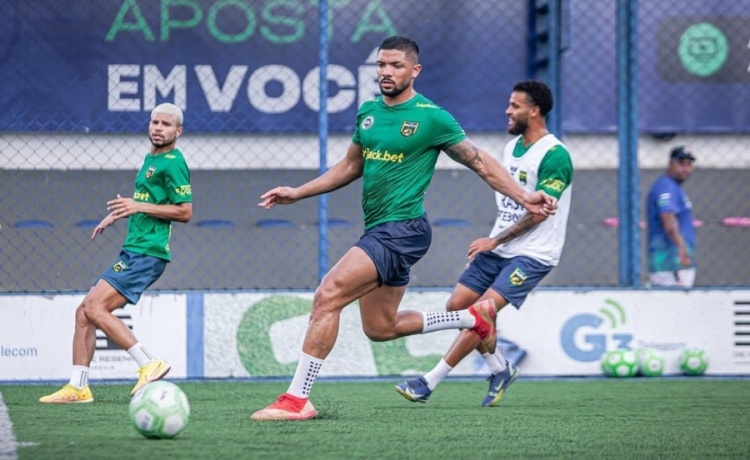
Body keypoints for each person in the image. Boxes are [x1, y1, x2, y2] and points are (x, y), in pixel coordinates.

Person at [251, 36, 557, 422]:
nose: (386, 72)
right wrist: (299, 192)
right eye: (381, 65)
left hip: (403, 230)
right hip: (381, 229)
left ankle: (297, 399)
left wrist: (525, 196)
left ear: (415, 71)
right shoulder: (368, 113)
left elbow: (480, 162)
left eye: (395, 65)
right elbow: (350, 166)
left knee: (327, 295)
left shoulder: (432, 116)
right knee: (381, 328)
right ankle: (471, 319)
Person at [394, 80, 573, 407]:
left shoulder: (555, 155)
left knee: (480, 311)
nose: (507, 111)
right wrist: (495, 242)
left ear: (534, 111)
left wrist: (495, 240)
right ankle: (499, 368)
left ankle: (429, 381)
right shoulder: (511, 148)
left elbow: (539, 213)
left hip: (533, 254)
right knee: (457, 306)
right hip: (499, 247)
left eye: (515, 106)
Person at [39, 103, 193, 403]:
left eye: (166, 124)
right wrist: (123, 213)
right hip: (135, 247)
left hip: (148, 252)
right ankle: (78, 386)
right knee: (84, 311)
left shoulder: (173, 162)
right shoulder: (152, 158)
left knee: (95, 308)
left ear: (178, 131)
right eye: (154, 122)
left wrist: (138, 207)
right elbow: (148, 200)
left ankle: (149, 363)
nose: (158, 128)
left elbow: (185, 212)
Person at [646, 146, 697, 288]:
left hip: (673, 265)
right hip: (671, 265)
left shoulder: (673, 187)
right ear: (670, 164)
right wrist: (682, 249)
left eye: (689, 164)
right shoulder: (666, 187)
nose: (685, 168)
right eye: (681, 163)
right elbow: (668, 220)